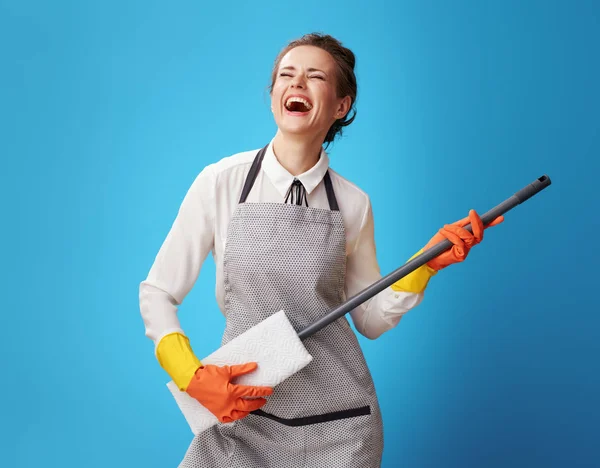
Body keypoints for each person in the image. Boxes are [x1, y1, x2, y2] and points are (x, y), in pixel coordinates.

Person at [139, 32, 504, 467]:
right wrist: (190, 374)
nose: (297, 84)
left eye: (314, 77)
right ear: (273, 94)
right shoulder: (222, 183)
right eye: (286, 76)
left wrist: (426, 263)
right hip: (245, 409)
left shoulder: (353, 203)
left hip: (338, 424)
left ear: (340, 106)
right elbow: (158, 292)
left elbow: (369, 316)